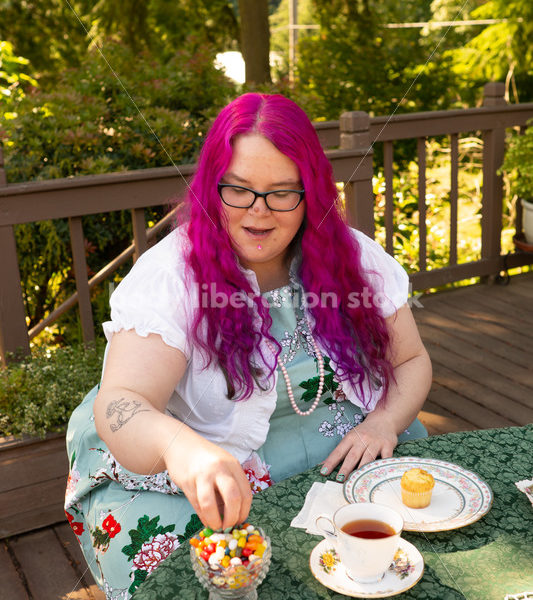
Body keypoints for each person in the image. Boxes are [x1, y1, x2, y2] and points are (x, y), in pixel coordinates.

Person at [65, 93, 432, 598]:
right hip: (202, 473)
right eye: (238, 190)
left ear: (312, 194)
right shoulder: (171, 276)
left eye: (283, 193)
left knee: (409, 559)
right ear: (212, 188)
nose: (259, 213)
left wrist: (386, 421)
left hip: (351, 450)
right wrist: (180, 448)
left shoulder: (355, 258)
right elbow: (122, 402)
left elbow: (410, 360)